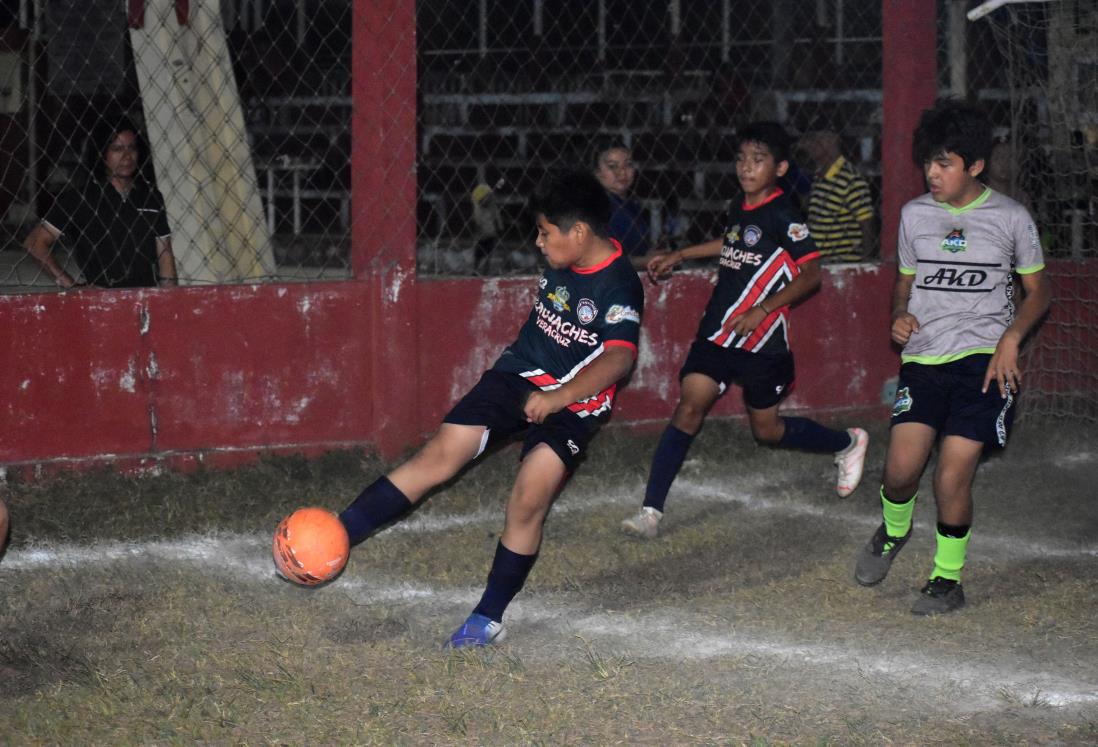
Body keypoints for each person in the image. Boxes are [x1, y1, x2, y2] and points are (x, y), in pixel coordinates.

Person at [338, 171, 644, 647]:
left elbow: (620, 357)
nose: (539, 242)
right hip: (517, 375)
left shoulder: (620, 285)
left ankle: (488, 617)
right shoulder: (566, 257)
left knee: (529, 496)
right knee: (439, 456)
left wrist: (560, 398)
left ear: (578, 233)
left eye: (545, 232)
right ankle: (338, 535)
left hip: (574, 404)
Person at [620, 122, 869, 540]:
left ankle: (846, 442)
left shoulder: (784, 215)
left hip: (762, 341)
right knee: (689, 407)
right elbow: (733, 242)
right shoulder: (740, 204)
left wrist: (764, 309)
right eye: (741, 159)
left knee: (767, 431)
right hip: (719, 330)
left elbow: (811, 275)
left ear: (781, 168)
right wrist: (680, 253)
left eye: (758, 160)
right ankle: (650, 512)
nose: (746, 168)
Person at [853, 99, 1050, 615]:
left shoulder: (1011, 219)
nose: (932, 173)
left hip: (986, 361)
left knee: (952, 473)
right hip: (924, 359)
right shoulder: (914, 215)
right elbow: (904, 282)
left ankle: (947, 578)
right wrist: (899, 313)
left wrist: (1011, 338)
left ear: (975, 165)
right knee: (899, 471)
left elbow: (1039, 293)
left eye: (944, 163)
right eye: (928, 163)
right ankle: (894, 532)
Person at [25, 117, 177, 289]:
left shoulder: (150, 196)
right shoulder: (81, 198)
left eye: (132, 148)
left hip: (145, 298)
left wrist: (169, 299)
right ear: (102, 153)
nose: (127, 156)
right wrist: (73, 287)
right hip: (102, 300)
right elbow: (34, 243)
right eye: (117, 149)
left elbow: (165, 255)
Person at [799, 128, 875, 261]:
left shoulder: (849, 178)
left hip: (843, 263)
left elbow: (866, 224)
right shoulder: (819, 176)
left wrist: (864, 262)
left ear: (834, 139)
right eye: (809, 139)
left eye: (817, 138)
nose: (810, 144)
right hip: (823, 263)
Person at [592, 140, 651, 268]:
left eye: (628, 165)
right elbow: (603, 261)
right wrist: (648, 260)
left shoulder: (632, 205)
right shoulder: (597, 207)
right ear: (597, 173)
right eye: (612, 166)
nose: (622, 172)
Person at [470, 166, 505, 273]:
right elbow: (476, 221)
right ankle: (475, 269)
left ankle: (486, 269)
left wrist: (500, 226)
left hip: (491, 234)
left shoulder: (491, 206)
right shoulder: (478, 210)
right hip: (481, 236)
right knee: (478, 254)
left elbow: (496, 216)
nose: (488, 199)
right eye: (485, 198)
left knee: (489, 253)